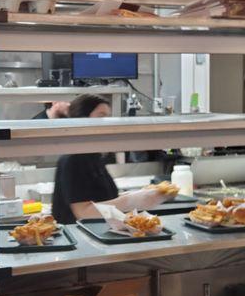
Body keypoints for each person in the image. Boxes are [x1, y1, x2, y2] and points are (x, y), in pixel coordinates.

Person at [52, 94, 169, 224]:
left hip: (99, 232)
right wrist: (130, 201)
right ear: (82, 119)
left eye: (109, 116)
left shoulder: (93, 155)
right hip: (79, 237)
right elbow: (83, 213)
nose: (108, 122)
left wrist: (140, 196)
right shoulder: (74, 159)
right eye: (102, 116)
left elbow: (105, 199)